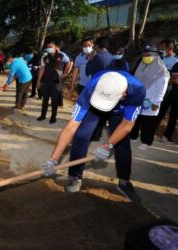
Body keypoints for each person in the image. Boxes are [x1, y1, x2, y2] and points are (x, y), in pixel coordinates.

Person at [41, 70, 146, 203]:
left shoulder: (138, 90)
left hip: (120, 111)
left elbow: (126, 125)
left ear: (123, 94)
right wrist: (54, 159)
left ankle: (124, 182)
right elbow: (71, 126)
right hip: (94, 106)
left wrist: (108, 145)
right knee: (80, 136)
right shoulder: (91, 87)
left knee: (122, 143)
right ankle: (75, 177)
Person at [131, 45, 169, 150]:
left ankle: (146, 141)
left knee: (149, 122)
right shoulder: (141, 66)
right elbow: (135, 81)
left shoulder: (162, 70)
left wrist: (157, 102)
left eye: (148, 55)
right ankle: (133, 136)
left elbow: (162, 88)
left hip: (152, 100)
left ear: (155, 56)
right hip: (139, 98)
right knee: (137, 118)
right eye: (143, 55)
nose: (145, 57)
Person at [36, 41, 68, 124]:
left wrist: (65, 73)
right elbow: (42, 69)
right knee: (45, 99)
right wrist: (39, 80)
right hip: (46, 81)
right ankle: (43, 115)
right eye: (48, 47)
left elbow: (69, 62)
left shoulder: (62, 56)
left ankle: (53, 117)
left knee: (55, 100)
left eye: (51, 47)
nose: (49, 49)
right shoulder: (45, 57)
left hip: (56, 82)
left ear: (55, 48)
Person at [156, 39, 178, 142]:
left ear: (170, 49)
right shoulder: (162, 59)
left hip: (173, 92)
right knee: (160, 111)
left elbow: (175, 79)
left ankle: (167, 135)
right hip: (165, 91)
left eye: (164, 48)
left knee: (173, 116)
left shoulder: (176, 61)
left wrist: (168, 80)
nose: (162, 50)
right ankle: (151, 131)